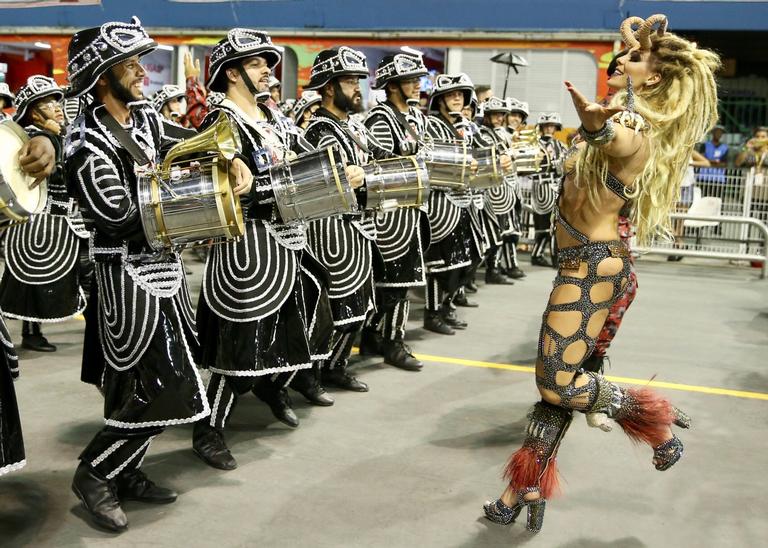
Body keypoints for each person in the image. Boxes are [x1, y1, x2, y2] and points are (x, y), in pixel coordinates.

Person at [484, 14, 719, 531]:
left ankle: (655, 424)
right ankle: (523, 486)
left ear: (653, 78)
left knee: (556, 382)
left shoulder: (633, 125)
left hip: (593, 271)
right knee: (564, 381)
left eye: (634, 58)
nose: (621, 59)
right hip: (588, 267)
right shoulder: (622, 113)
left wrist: (596, 127)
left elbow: (620, 142)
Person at [63, 17, 247, 532]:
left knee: (170, 382)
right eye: (130, 63)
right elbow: (119, 217)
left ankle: (128, 472)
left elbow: (188, 138)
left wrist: (224, 156)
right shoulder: (84, 146)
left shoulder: (144, 117)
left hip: (163, 270)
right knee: (158, 385)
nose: (143, 71)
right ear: (102, 75)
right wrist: (196, 202)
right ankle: (95, 472)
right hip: (124, 277)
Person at [191, 28, 338, 471]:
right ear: (232, 73)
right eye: (257, 64)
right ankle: (209, 429)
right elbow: (215, 186)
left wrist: (338, 165)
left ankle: (275, 383)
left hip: (289, 238)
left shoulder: (272, 116)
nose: (267, 72)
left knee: (309, 314)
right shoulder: (221, 120)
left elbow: (305, 153)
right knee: (242, 339)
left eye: (265, 63)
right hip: (247, 246)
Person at [301, 47, 375, 391]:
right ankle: (310, 374)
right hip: (329, 232)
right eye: (349, 81)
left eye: (359, 80)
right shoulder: (319, 129)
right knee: (330, 308)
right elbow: (317, 182)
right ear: (329, 88)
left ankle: (336, 365)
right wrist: (348, 179)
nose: (357, 87)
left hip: (358, 227)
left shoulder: (353, 126)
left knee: (359, 305)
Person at [0, 76, 87, 352]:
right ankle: (30, 332)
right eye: (49, 104)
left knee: (83, 271)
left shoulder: (64, 133)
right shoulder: (23, 140)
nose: (58, 108)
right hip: (38, 221)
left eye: (58, 102)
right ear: (32, 111)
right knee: (27, 281)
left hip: (69, 218)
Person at [362, 51, 433, 369]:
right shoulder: (380, 119)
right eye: (410, 80)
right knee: (393, 285)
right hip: (391, 217)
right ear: (392, 85)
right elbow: (380, 170)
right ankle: (390, 341)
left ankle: (377, 336)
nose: (417, 85)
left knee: (399, 284)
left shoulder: (414, 117)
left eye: (418, 79)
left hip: (411, 212)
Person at [423, 73, 483, 335]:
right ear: (440, 100)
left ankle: (446, 307)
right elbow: (431, 162)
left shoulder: (464, 126)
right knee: (440, 265)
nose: (457, 98)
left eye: (460, 94)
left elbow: (480, 152)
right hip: (440, 204)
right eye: (451, 94)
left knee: (461, 262)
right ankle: (432, 313)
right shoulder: (431, 125)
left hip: (463, 202)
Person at [479, 96, 525, 281]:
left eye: (501, 115)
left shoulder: (502, 134)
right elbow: (486, 159)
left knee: (504, 231)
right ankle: (492, 269)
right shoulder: (483, 134)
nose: (499, 118)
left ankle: (496, 268)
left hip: (506, 189)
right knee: (492, 232)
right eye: (495, 115)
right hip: (492, 189)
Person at [528, 112, 567, 267]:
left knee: (555, 224)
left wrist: (560, 166)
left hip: (556, 186)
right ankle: (537, 255)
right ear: (542, 127)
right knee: (543, 224)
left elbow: (565, 166)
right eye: (547, 126)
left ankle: (552, 256)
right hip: (540, 186)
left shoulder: (561, 146)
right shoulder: (534, 145)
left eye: (552, 126)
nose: (549, 128)